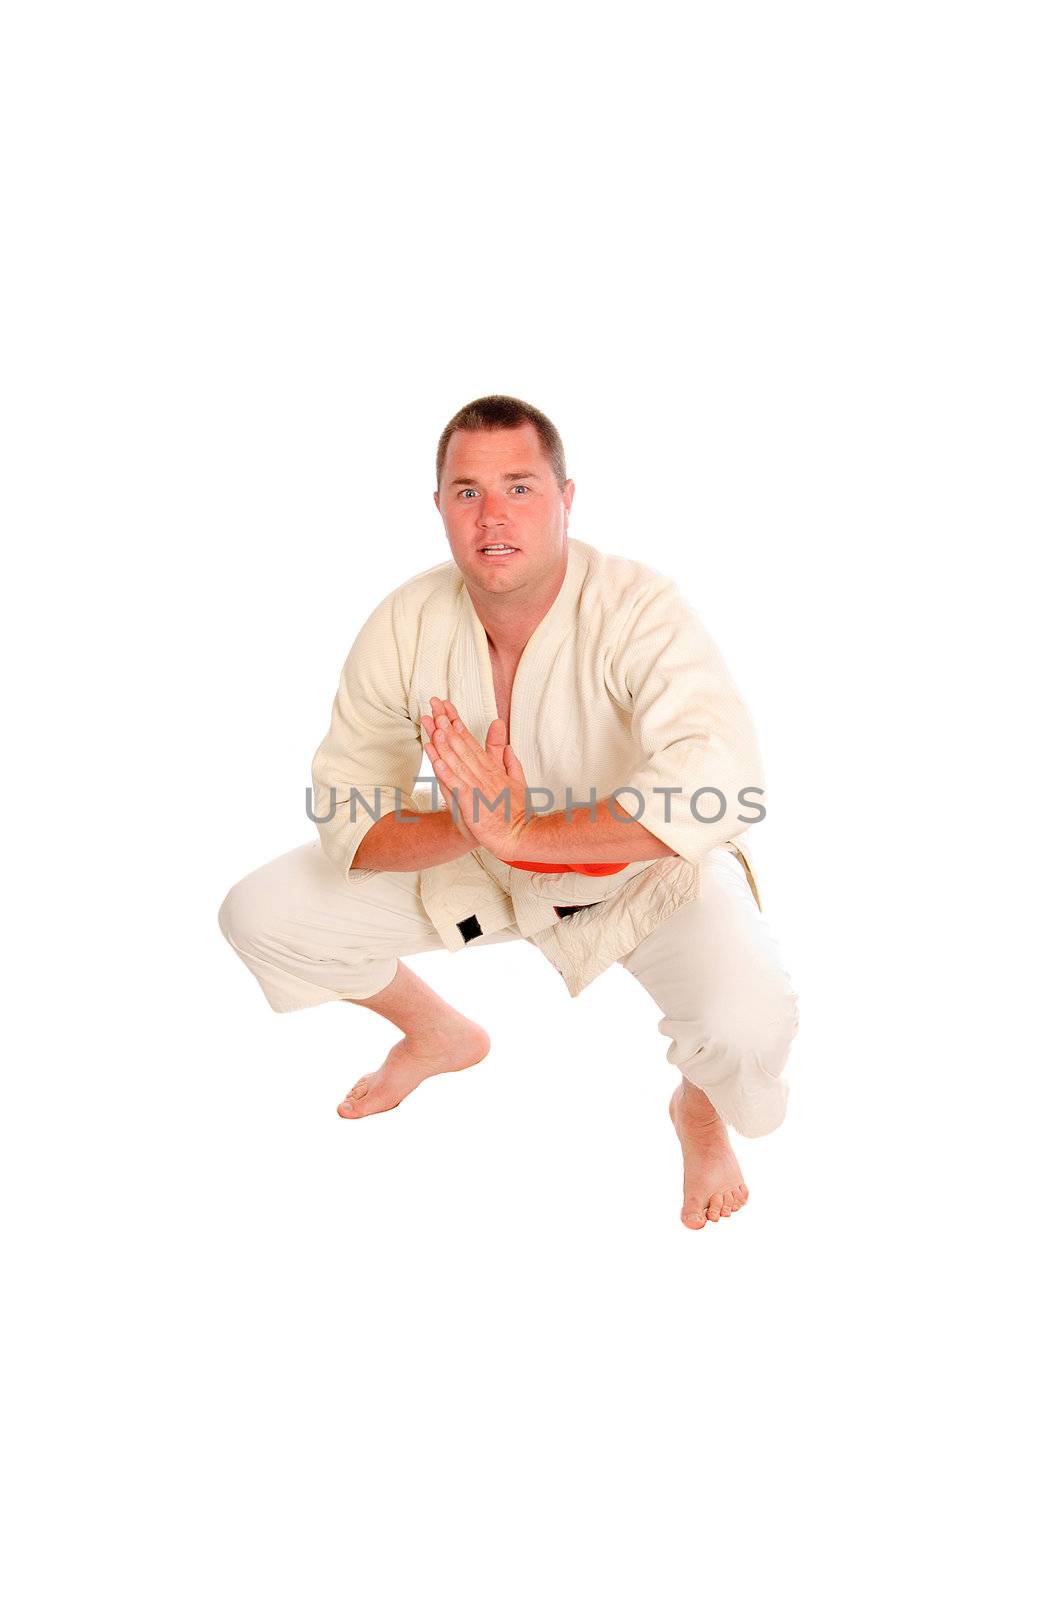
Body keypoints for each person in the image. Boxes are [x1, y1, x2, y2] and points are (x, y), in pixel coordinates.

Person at [217, 395, 798, 1229]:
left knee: (747, 1028)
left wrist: (528, 830)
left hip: (644, 876)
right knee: (262, 913)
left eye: (520, 487)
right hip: (479, 867)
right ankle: (439, 1037)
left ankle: (699, 1110)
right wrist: (474, 828)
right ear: (440, 508)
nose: (492, 515)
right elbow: (348, 807)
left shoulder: (637, 607)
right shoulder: (406, 622)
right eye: (467, 492)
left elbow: (721, 778)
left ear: (566, 499)